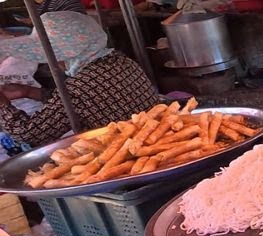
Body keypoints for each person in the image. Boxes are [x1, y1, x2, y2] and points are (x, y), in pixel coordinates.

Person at [0, 11, 159, 149]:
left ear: (65, 54)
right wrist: (29, 92)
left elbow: (29, 134)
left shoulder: (79, 86)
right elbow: (85, 103)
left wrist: (3, 104)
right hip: (153, 135)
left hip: (127, 149)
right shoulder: (121, 61)